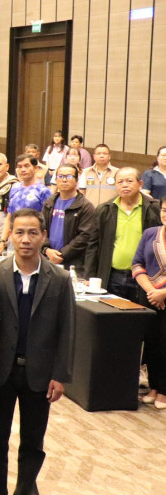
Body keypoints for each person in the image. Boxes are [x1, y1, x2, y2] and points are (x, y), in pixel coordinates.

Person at [0, 208, 74, 495]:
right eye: (19, 232)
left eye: (33, 233)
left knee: (33, 441)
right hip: (3, 371)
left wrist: (60, 374)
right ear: (10, 235)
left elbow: (67, 329)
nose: (25, 239)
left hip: (40, 373)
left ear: (43, 236)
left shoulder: (59, 279)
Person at [85, 167, 162, 297]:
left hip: (145, 277)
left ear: (140, 184)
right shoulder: (104, 210)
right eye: (120, 182)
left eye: (129, 181)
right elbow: (93, 245)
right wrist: (89, 276)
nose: (124, 185)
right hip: (112, 276)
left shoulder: (154, 208)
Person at [132, 195, 166, 410]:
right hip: (150, 297)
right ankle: (153, 387)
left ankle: (164, 390)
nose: (165, 214)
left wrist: (163, 293)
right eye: (164, 210)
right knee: (152, 344)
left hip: (163, 297)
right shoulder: (150, 233)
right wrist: (152, 291)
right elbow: (137, 264)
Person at [41, 164, 97, 271]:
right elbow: (41, 229)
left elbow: (84, 236)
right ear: (56, 180)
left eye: (69, 176)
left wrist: (61, 254)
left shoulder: (85, 206)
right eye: (60, 176)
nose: (64, 180)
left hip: (73, 263)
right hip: (48, 259)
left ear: (77, 181)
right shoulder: (49, 202)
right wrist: (46, 249)